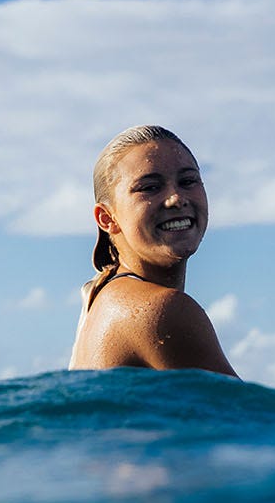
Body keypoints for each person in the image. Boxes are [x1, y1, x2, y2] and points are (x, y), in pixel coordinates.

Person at [68, 125, 238, 377]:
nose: (176, 198)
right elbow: (248, 416)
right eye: (149, 187)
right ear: (106, 218)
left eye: (188, 181)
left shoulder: (103, 296)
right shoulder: (160, 310)